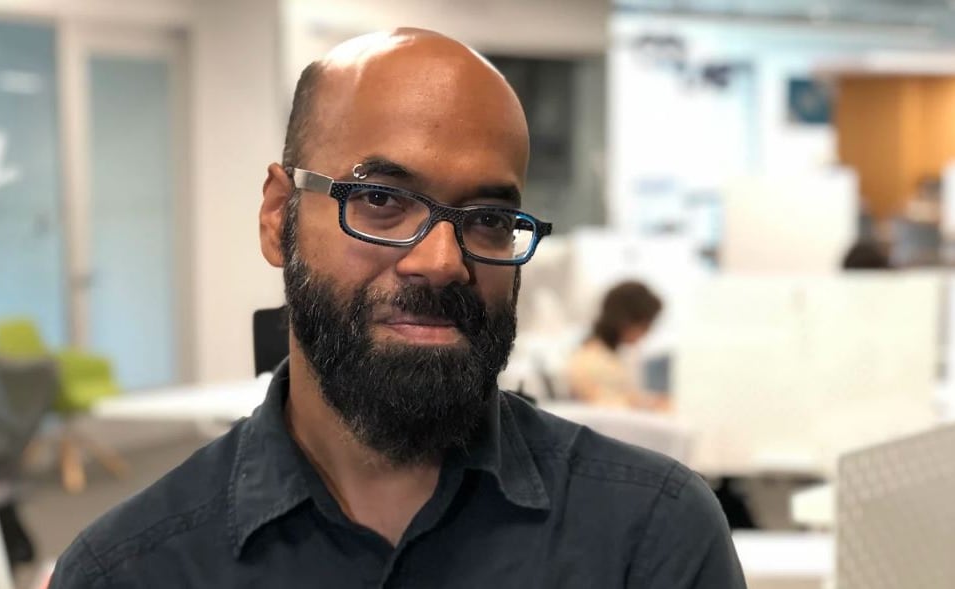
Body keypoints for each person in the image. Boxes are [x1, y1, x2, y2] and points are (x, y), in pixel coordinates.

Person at [49, 29, 745, 588]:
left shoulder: (648, 536)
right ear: (278, 216)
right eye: (380, 201)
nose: (443, 260)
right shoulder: (131, 569)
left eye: (490, 218)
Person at [566, 281, 667, 410]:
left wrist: (647, 401)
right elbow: (600, 408)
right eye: (645, 325)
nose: (646, 333)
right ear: (626, 320)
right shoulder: (587, 360)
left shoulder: (607, 356)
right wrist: (643, 404)